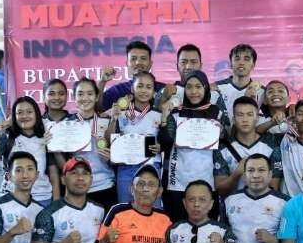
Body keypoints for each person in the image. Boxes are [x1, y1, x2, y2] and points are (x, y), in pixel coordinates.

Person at [158, 71, 229, 221]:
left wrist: (222, 133)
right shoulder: (176, 112)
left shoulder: (216, 112)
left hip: (208, 177)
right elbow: (165, 142)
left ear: (205, 88)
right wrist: (164, 116)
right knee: (177, 223)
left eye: (198, 87)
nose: (193, 91)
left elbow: (227, 138)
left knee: (206, 224)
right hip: (178, 179)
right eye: (189, 87)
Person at [0, 96, 60, 204]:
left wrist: (56, 204)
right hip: (12, 198)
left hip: (42, 198)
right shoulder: (7, 137)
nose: (24, 116)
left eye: (29, 112)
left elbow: (53, 173)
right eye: (19, 113)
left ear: (36, 114)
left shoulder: (46, 137)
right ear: (14, 116)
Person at [103, 71, 165, 204]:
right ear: (132, 88)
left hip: (151, 167)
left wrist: (160, 146)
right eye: (140, 86)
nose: (144, 90)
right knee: (126, 207)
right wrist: (114, 119)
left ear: (153, 91)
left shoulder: (159, 115)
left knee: (152, 208)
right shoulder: (121, 113)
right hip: (126, 167)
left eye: (149, 87)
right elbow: (108, 140)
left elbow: (165, 142)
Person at [213, 96, 282, 195]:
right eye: (240, 115)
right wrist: (237, 173)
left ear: (257, 118)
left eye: (250, 114)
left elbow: (274, 187)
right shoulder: (222, 149)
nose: (245, 119)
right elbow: (220, 190)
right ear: (234, 119)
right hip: (233, 203)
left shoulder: (271, 145)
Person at [69, 78, 117, 212]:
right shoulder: (66, 125)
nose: (85, 98)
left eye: (90, 94)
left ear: (96, 97)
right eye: (80, 94)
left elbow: (118, 155)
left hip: (105, 185)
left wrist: (112, 158)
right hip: (78, 187)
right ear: (74, 97)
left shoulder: (108, 121)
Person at [101, 40, 166, 111]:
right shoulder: (117, 91)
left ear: (150, 63)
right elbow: (98, 108)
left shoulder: (164, 90)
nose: (138, 62)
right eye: (133, 59)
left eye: (143, 58)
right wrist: (102, 82)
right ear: (127, 63)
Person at [214, 44, 264, 123]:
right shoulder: (216, 87)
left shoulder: (262, 91)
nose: (241, 63)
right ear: (231, 64)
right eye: (237, 59)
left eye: (246, 59)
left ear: (253, 65)